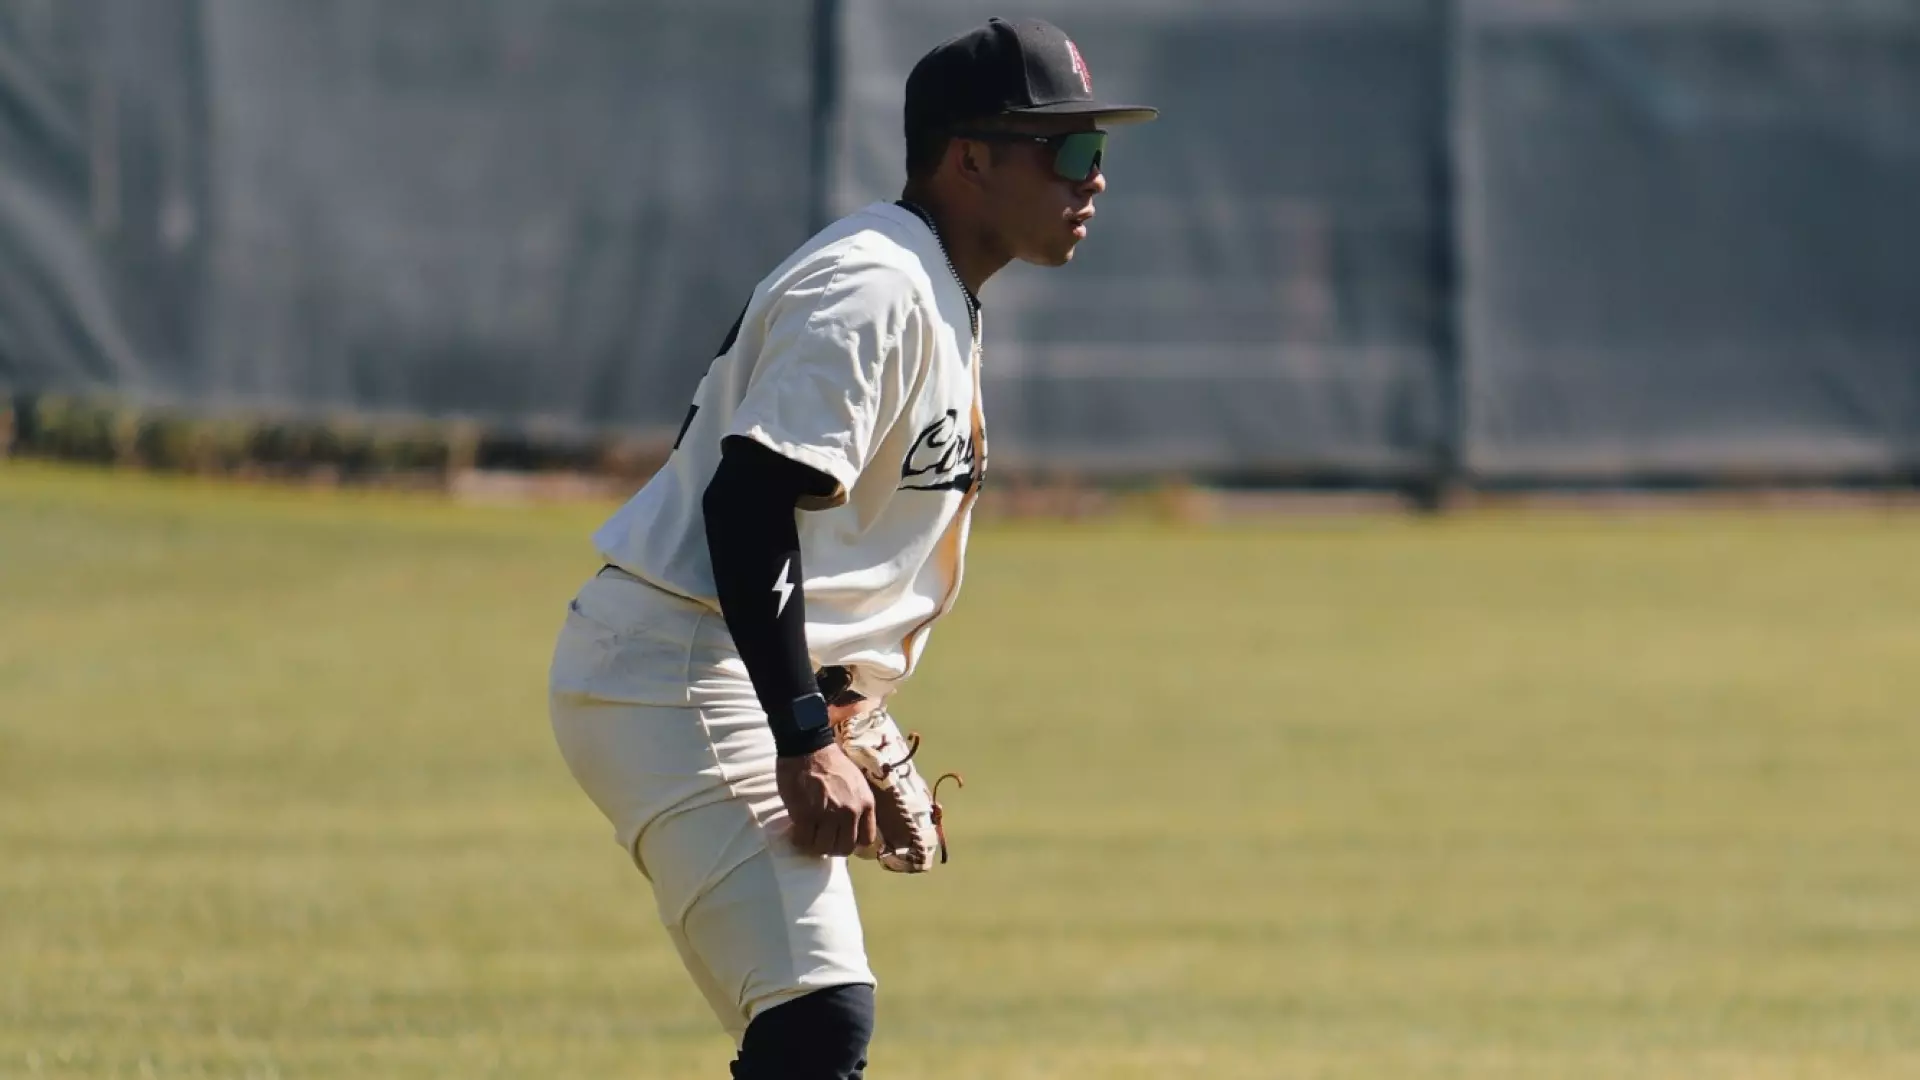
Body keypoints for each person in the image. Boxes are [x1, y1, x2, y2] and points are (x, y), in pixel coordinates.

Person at [546, 17, 1156, 1079]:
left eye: (1097, 151)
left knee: (809, 1028)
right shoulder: (874, 286)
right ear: (969, 158)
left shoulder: (932, 286)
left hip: (709, 660)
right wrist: (799, 733)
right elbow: (749, 501)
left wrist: (837, 695)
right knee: (815, 1022)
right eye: (1066, 150)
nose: (1092, 178)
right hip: (678, 669)